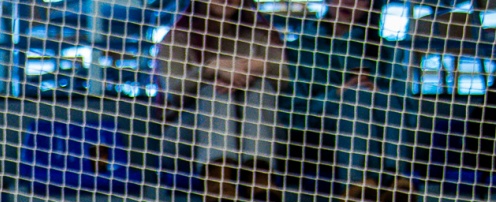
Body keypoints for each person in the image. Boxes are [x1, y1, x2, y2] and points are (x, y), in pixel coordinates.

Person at [158, 0, 287, 165]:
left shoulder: (261, 34)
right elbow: (174, 91)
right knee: (216, 93)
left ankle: (258, 172)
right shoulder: (178, 37)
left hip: (261, 129)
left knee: (259, 88)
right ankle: (218, 173)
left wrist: (261, 67)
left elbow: (284, 78)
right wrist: (210, 69)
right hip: (191, 133)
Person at [278, 0, 387, 185]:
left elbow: (407, 114)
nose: (349, 2)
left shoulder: (386, 52)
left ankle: (391, 181)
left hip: (378, 129)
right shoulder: (302, 48)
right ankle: (358, 184)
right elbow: (293, 113)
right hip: (319, 136)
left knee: (369, 97)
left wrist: (379, 96)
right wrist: (337, 95)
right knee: (355, 97)